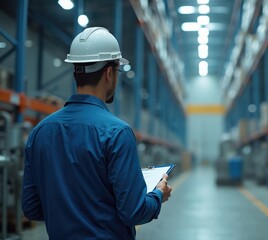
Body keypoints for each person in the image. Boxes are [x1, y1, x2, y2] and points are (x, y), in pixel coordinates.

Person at [21, 27, 172, 239]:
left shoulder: (40, 132)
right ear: (109, 73)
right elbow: (134, 212)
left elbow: (31, 208)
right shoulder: (117, 132)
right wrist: (158, 194)